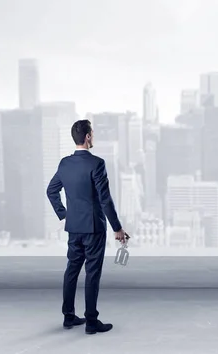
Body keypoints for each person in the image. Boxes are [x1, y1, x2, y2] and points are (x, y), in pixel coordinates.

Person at [46, 119, 130, 335]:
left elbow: (51, 191)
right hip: (93, 228)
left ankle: (68, 317)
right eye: (93, 133)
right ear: (88, 137)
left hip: (73, 227)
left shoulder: (65, 164)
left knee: (71, 271)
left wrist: (64, 214)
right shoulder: (97, 164)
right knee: (92, 274)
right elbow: (105, 200)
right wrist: (117, 228)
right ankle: (91, 322)